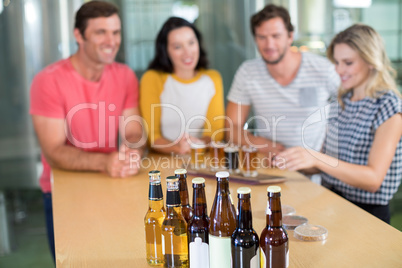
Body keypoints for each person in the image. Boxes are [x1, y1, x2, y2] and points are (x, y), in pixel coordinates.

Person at [30, 1, 145, 260]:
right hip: (63, 191)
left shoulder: (125, 75)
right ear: (78, 35)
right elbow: (54, 152)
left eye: (116, 32)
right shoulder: (48, 81)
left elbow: (134, 131)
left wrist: (132, 150)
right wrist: (105, 162)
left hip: (113, 184)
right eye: (100, 32)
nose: (111, 41)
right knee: (77, 261)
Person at [273, 24, 402, 223]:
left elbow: (373, 180)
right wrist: (295, 159)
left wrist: (316, 158)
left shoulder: (389, 106)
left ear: (370, 61)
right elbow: (328, 163)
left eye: (348, 63)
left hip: (367, 215)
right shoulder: (342, 100)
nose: (339, 70)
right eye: (336, 62)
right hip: (332, 203)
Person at [226, 4, 340, 161]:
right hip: (272, 167)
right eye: (262, 37)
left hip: (316, 171)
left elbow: (353, 112)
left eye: (276, 36)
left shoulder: (323, 69)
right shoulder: (248, 72)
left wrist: (328, 149)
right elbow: (231, 128)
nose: (269, 45)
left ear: (290, 36)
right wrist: (261, 143)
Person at [140, 17, 225, 155]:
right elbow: (152, 137)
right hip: (162, 163)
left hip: (201, 161)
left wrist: (199, 144)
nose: (187, 52)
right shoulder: (152, 79)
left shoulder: (212, 78)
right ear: (166, 50)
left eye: (191, 43)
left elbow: (216, 133)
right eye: (177, 47)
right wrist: (177, 148)